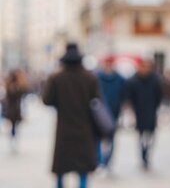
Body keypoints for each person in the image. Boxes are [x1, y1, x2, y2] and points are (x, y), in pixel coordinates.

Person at [42, 43, 100, 188]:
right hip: (84, 127)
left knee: (62, 167)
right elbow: (97, 100)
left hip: (64, 128)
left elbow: (46, 100)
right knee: (83, 169)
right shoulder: (90, 78)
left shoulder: (56, 78)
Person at [125, 57, 162, 169]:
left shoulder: (155, 80)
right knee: (141, 136)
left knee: (151, 136)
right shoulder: (133, 80)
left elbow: (159, 96)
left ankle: (147, 154)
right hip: (139, 112)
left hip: (151, 111)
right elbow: (129, 96)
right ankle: (143, 154)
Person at [94, 56, 126, 171]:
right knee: (97, 138)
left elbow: (123, 96)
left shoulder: (120, 79)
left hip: (113, 112)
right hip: (98, 113)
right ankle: (98, 160)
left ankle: (107, 161)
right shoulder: (96, 78)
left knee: (111, 139)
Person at [2, 68, 28, 151]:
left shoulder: (18, 84)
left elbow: (24, 92)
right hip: (12, 108)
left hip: (16, 108)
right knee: (13, 125)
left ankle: (13, 138)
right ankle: (13, 138)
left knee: (15, 125)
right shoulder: (10, 84)